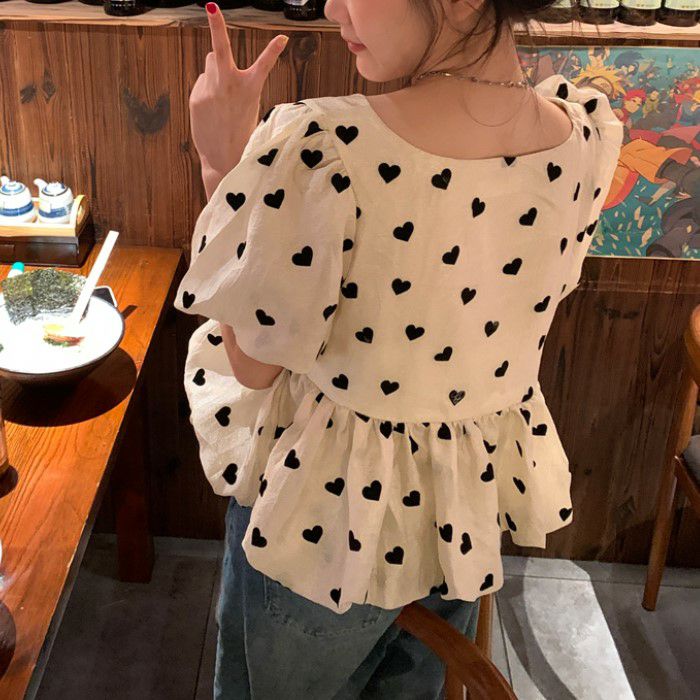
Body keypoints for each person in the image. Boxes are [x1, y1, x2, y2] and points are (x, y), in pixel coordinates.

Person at [174, 0, 623, 697]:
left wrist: (221, 162)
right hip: (458, 521)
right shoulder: (584, 135)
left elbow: (253, 364)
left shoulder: (327, 147)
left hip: (322, 529)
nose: (332, 7)